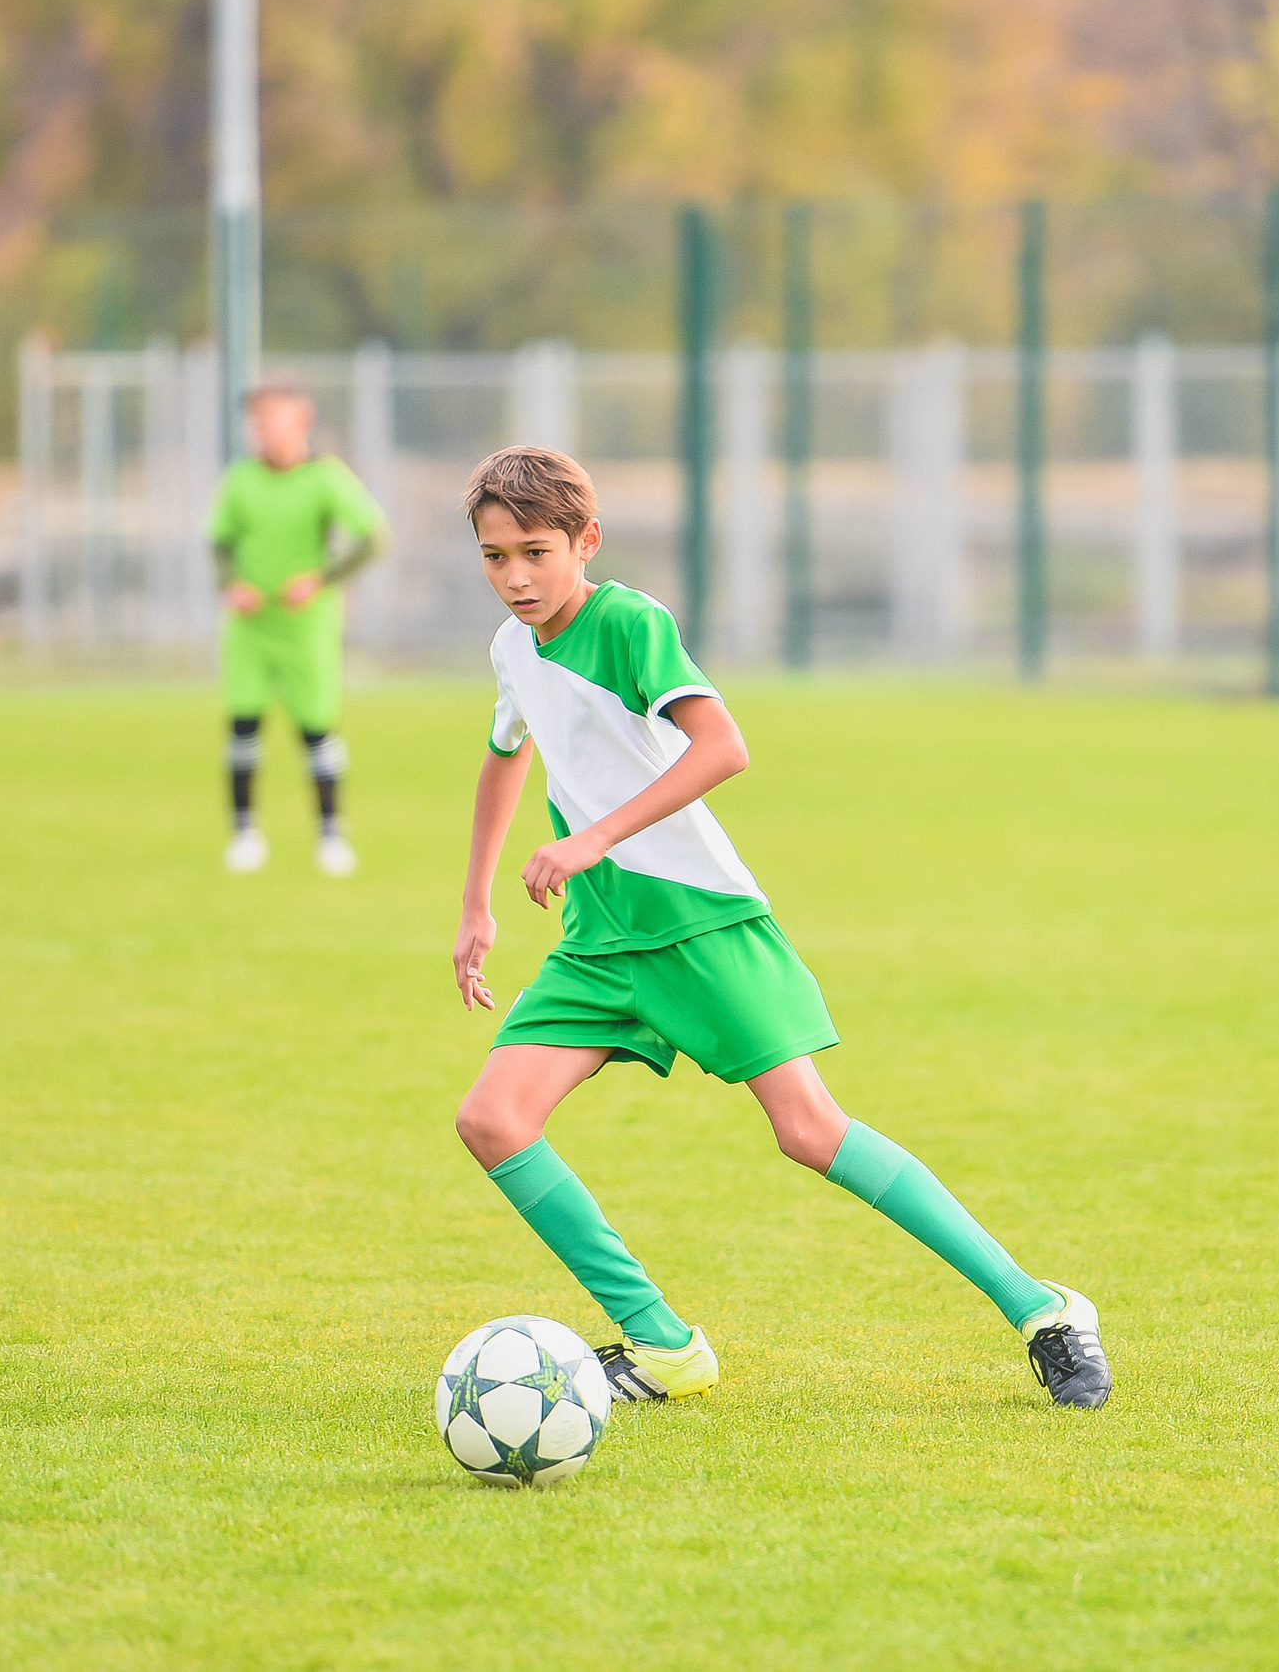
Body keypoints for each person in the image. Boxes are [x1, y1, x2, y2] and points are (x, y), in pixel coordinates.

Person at [448, 446, 1111, 1408]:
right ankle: (663, 1344)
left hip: (700, 922)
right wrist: (475, 901)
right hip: (599, 940)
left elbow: (723, 747)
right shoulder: (512, 648)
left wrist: (589, 837)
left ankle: (1045, 1310)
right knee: (492, 1119)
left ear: (585, 541)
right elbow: (506, 752)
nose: (514, 577)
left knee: (809, 1129)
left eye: (534, 553)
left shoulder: (630, 623)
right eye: (493, 556)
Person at [207, 379, 388, 876]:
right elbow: (219, 542)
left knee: (317, 731)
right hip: (249, 628)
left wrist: (320, 580)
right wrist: (230, 584)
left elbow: (373, 537)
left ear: (301, 422)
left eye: (272, 420)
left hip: (306, 629)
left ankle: (332, 835)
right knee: (243, 727)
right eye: (256, 422)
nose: (262, 431)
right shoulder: (240, 480)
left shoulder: (325, 478)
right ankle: (244, 833)